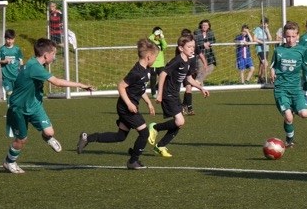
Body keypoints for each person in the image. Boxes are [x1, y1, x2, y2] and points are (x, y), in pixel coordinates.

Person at [2, 38, 94, 174]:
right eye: (54, 54)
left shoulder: (38, 64)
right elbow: (56, 82)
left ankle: (47, 138)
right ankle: (9, 162)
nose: (55, 57)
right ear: (46, 55)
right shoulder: (34, 67)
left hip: (34, 105)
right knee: (22, 139)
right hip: (19, 108)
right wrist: (80, 85)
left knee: (49, 132)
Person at [76, 39, 159, 170]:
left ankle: (88, 138)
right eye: (155, 57)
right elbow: (120, 86)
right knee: (144, 134)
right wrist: (129, 104)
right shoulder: (136, 71)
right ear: (149, 57)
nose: (156, 60)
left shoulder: (145, 71)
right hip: (126, 108)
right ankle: (133, 160)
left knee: (120, 136)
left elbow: (140, 90)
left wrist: (149, 103)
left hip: (128, 106)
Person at [148, 35, 210, 157]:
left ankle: (160, 146)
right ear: (181, 48)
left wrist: (201, 88)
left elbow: (188, 78)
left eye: (193, 46)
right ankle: (155, 127)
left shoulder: (188, 61)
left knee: (180, 123)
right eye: (189, 47)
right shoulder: (177, 60)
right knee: (180, 120)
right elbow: (162, 74)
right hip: (168, 94)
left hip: (175, 95)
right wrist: (159, 94)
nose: (192, 49)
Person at [270, 21, 307, 148]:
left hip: (296, 89)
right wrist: (272, 73)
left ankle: (292, 110)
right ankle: (289, 139)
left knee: (305, 114)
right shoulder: (278, 50)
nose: (290, 39)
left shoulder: (302, 50)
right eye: (287, 36)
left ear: (298, 36)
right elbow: (273, 65)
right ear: (284, 36)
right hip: (281, 89)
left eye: (293, 36)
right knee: (288, 117)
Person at [0, 29, 24, 110]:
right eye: (8, 39)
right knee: (9, 92)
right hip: (6, 76)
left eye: (11, 39)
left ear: (14, 39)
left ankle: (18, 109)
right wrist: (3, 61)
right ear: (5, 39)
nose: (9, 41)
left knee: (16, 93)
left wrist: (21, 70)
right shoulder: (2, 49)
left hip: (16, 75)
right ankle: (10, 110)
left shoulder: (17, 49)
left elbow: (21, 60)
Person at [194, 19, 216, 84]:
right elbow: (195, 40)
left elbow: (214, 40)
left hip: (208, 54)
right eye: (203, 25)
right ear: (201, 25)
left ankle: (198, 81)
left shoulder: (210, 32)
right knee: (200, 69)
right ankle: (199, 84)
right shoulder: (197, 32)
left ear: (209, 26)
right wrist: (203, 44)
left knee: (211, 67)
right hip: (199, 54)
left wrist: (208, 43)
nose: (204, 26)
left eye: (206, 25)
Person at [148, 27, 167, 99]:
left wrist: (162, 38)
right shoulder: (151, 42)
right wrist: (153, 35)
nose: (158, 36)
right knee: (153, 79)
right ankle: (153, 93)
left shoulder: (161, 42)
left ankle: (160, 90)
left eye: (160, 34)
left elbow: (165, 46)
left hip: (160, 64)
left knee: (163, 77)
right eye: (157, 34)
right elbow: (148, 40)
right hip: (153, 64)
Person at [253, 17, 273, 84]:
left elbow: (270, 39)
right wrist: (262, 42)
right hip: (260, 49)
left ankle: (260, 77)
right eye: (263, 24)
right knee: (265, 64)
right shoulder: (257, 29)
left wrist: (267, 31)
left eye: (266, 24)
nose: (264, 25)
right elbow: (254, 39)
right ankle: (262, 77)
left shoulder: (267, 30)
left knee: (262, 64)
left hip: (266, 49)